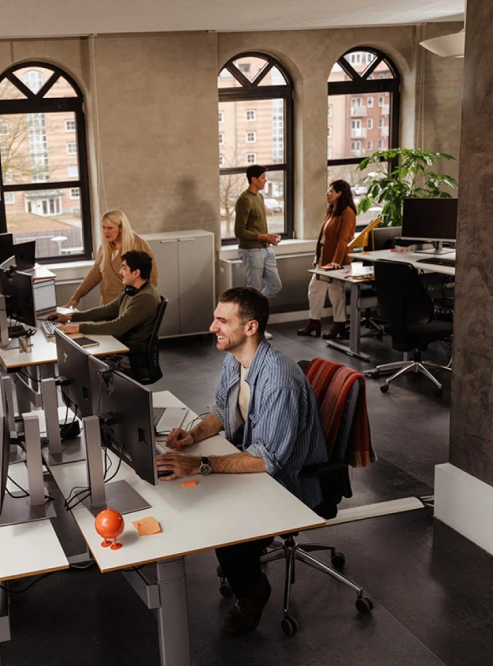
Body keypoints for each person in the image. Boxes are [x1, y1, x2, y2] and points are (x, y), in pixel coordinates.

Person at [156, 287, 327, 637]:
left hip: (289, 481)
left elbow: (268, 460)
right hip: (257, 460)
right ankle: (240, 564)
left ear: (250, 327)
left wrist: (200, 464)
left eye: (222, 320)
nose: (211, 327)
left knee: (221, 516)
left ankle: (252, 591)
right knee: (205, 491)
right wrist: (195, 434)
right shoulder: (236, 358)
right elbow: (221, 408)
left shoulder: (277, 378)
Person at [49, 250, 160, 361]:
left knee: (79, 355)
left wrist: (78, 328)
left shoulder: (145, 298)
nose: (120, 272)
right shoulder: (131, 290)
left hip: (129, 353)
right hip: (119, 342)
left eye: (124, 268)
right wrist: (70, 317)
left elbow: (118, 327)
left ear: (136, 273)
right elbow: (107, 310)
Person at [298, 180, 358, 340]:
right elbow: (323, 238)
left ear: (339, 194)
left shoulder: (348, 212)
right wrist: (316, 257)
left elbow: (343, 239)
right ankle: (314, 322)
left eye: (331, 191)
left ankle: (339, 325)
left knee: (336, 292)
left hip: (337, 258)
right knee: (315, 289)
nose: (328, 193)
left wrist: (336, 261)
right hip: (324, 256)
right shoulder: (332, 211)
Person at [66, 210, 159, 308]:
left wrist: (136, 301)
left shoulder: (138, 245)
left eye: (110, 228)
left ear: (121, 228)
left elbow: (153, 278)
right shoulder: (104, 248)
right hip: (107, 307)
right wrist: (76, 297)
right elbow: (94, 274)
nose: (106, 231)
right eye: (103, 227)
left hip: (129, 306)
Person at [234, 165, 282, 339]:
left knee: (275, 285)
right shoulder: (244, 200)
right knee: (253, 290)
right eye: (262, 177)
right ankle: (254, 329)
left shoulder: (259, 197)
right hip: (251, 250)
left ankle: (251, 312)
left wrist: (268, 238)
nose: (265, 180)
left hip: (265, 249)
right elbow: (239, 232)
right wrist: (263, 236)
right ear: (253, 179)